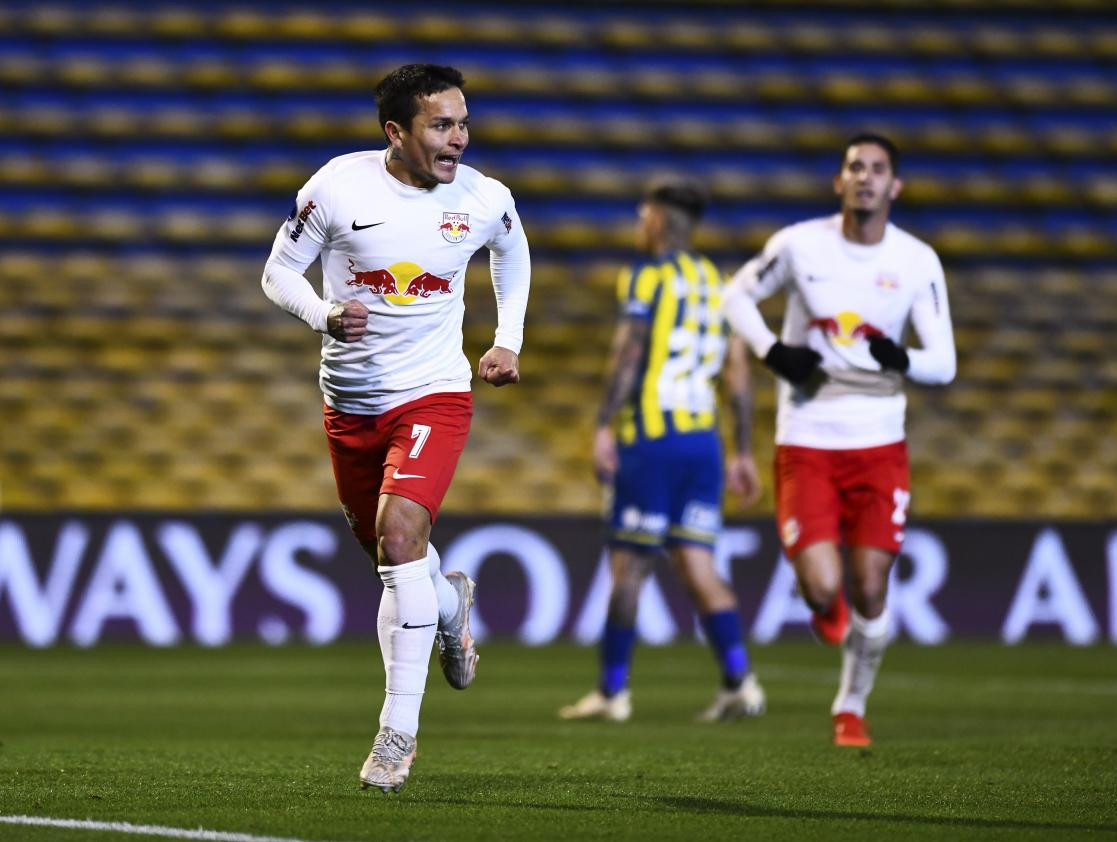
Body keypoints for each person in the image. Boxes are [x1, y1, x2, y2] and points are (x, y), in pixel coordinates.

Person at [260, 64, 530, 793]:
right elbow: (277, 273)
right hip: (350, 406)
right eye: (441, 126)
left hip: (435, 394)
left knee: (403, 537)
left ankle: (396, 735)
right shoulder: (337, 188)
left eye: (463, 123)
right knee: (395, 559)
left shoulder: (483, 199)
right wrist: (321, 313)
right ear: (396, 132)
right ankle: (451, 604)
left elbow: (512, 249)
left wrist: (509, 338)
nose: (459, 140)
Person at [721, 133, 955, 747]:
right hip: (808, 438)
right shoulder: (801, 245)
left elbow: (945, 363)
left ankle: (850, 706)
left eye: (878, 170)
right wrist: (774, 351)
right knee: (824, 586)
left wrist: (899, 355)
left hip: (879, 441)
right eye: (855, 167)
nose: (866, 178)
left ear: (894, 187)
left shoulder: (915, 261)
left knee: (872, 585)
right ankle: (827, 610)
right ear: (839, 181)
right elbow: (735, 294)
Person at [558, 178, 765, 724]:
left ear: (656, 220)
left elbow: (628, 355)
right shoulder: (721, 283)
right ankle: (740, 682)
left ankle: (612, 691)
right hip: (704, 443)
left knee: (629, 568)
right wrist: (743, 451)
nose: (637, 222)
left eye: (641, 214)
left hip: (650, 440)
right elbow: (738, 376)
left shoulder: (646, 278)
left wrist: (603, 425)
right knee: (698, 562)